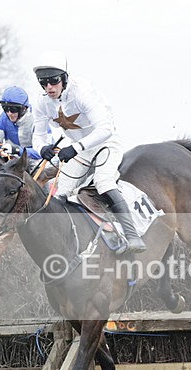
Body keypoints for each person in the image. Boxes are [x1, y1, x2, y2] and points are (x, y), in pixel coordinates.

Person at [31, 51, 147, 254]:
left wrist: (75, 148)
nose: (49, 87)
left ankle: (131, 234)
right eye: (43, 83)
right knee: (61, 192)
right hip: (80, 150)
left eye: (53, 81)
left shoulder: (82, 93)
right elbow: (38, 135)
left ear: (64, 79)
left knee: (103, 183)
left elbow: (105, 129)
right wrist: (42, 148)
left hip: (105, 145)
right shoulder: (42, 102)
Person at [0, 86, 41, 161]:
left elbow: (41, 152)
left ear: (24, 108)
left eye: (13, 109)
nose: (9, 113)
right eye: (5, 108)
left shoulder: (37, 119)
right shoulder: (3, 117)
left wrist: (17, 150)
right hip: (15, 160)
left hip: (38, 160)